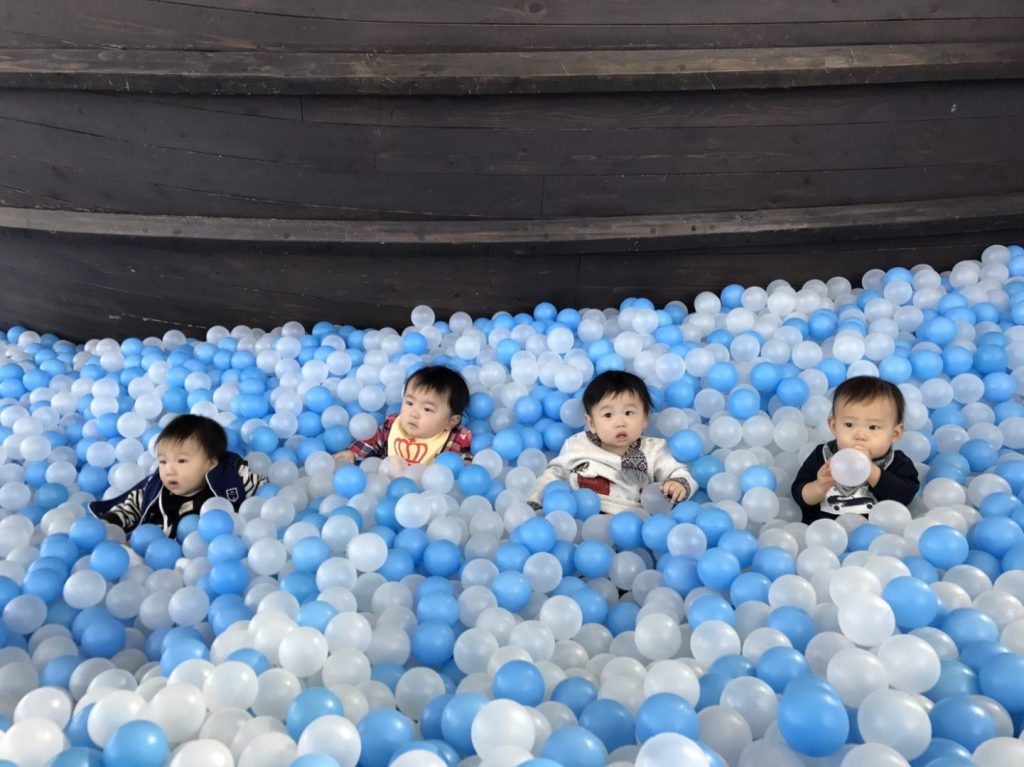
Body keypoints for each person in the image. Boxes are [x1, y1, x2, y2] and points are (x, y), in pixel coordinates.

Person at [528, 371, 696, 515]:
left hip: (630, 519)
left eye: (629, 413)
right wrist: (535, 501)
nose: (620, 423)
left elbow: (679, 470)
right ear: (591, 423)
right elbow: (555, 474)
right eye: (608, 415)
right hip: (578, 511)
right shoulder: (577, 445)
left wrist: (678, 484)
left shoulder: (654, 450)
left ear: (644, 419)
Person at [90, 414, 267, 538]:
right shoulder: (155, 488)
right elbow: (131, 506)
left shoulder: (231, 479)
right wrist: (110, 522)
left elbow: (264, 492)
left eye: (181, 461)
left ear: (210, 464)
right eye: (163, 461)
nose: (169, 470)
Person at [792, 375, 919, 523]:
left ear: (894, 434)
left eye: (873, 427)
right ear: (834, 427)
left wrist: (871, 470)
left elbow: (904, 498)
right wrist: (819, 486)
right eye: (849, 425)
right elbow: (799, 495)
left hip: (874, 534)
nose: (860, 435)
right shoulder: (822, 456)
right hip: (825, 531)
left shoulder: (898, 463)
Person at [334, 365, 472, 466]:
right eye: (410, 403)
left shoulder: (455, 439)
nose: (413, 413)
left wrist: (466, 466)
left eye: (427, 409)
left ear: (450, 422)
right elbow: (372, 441)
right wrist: (352, 453)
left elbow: (463, 460)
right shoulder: (394, 424)